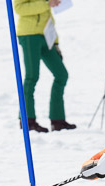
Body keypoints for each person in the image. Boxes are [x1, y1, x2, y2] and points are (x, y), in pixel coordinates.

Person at [14, 0, 76, 132]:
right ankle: (27, 120)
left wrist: (56, 43)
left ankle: (57, 120)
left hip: (45, 36)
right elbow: (19, 8)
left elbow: (48, 17)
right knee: (32, 76)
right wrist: (46, 4)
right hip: (29, 34)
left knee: (61, 74)